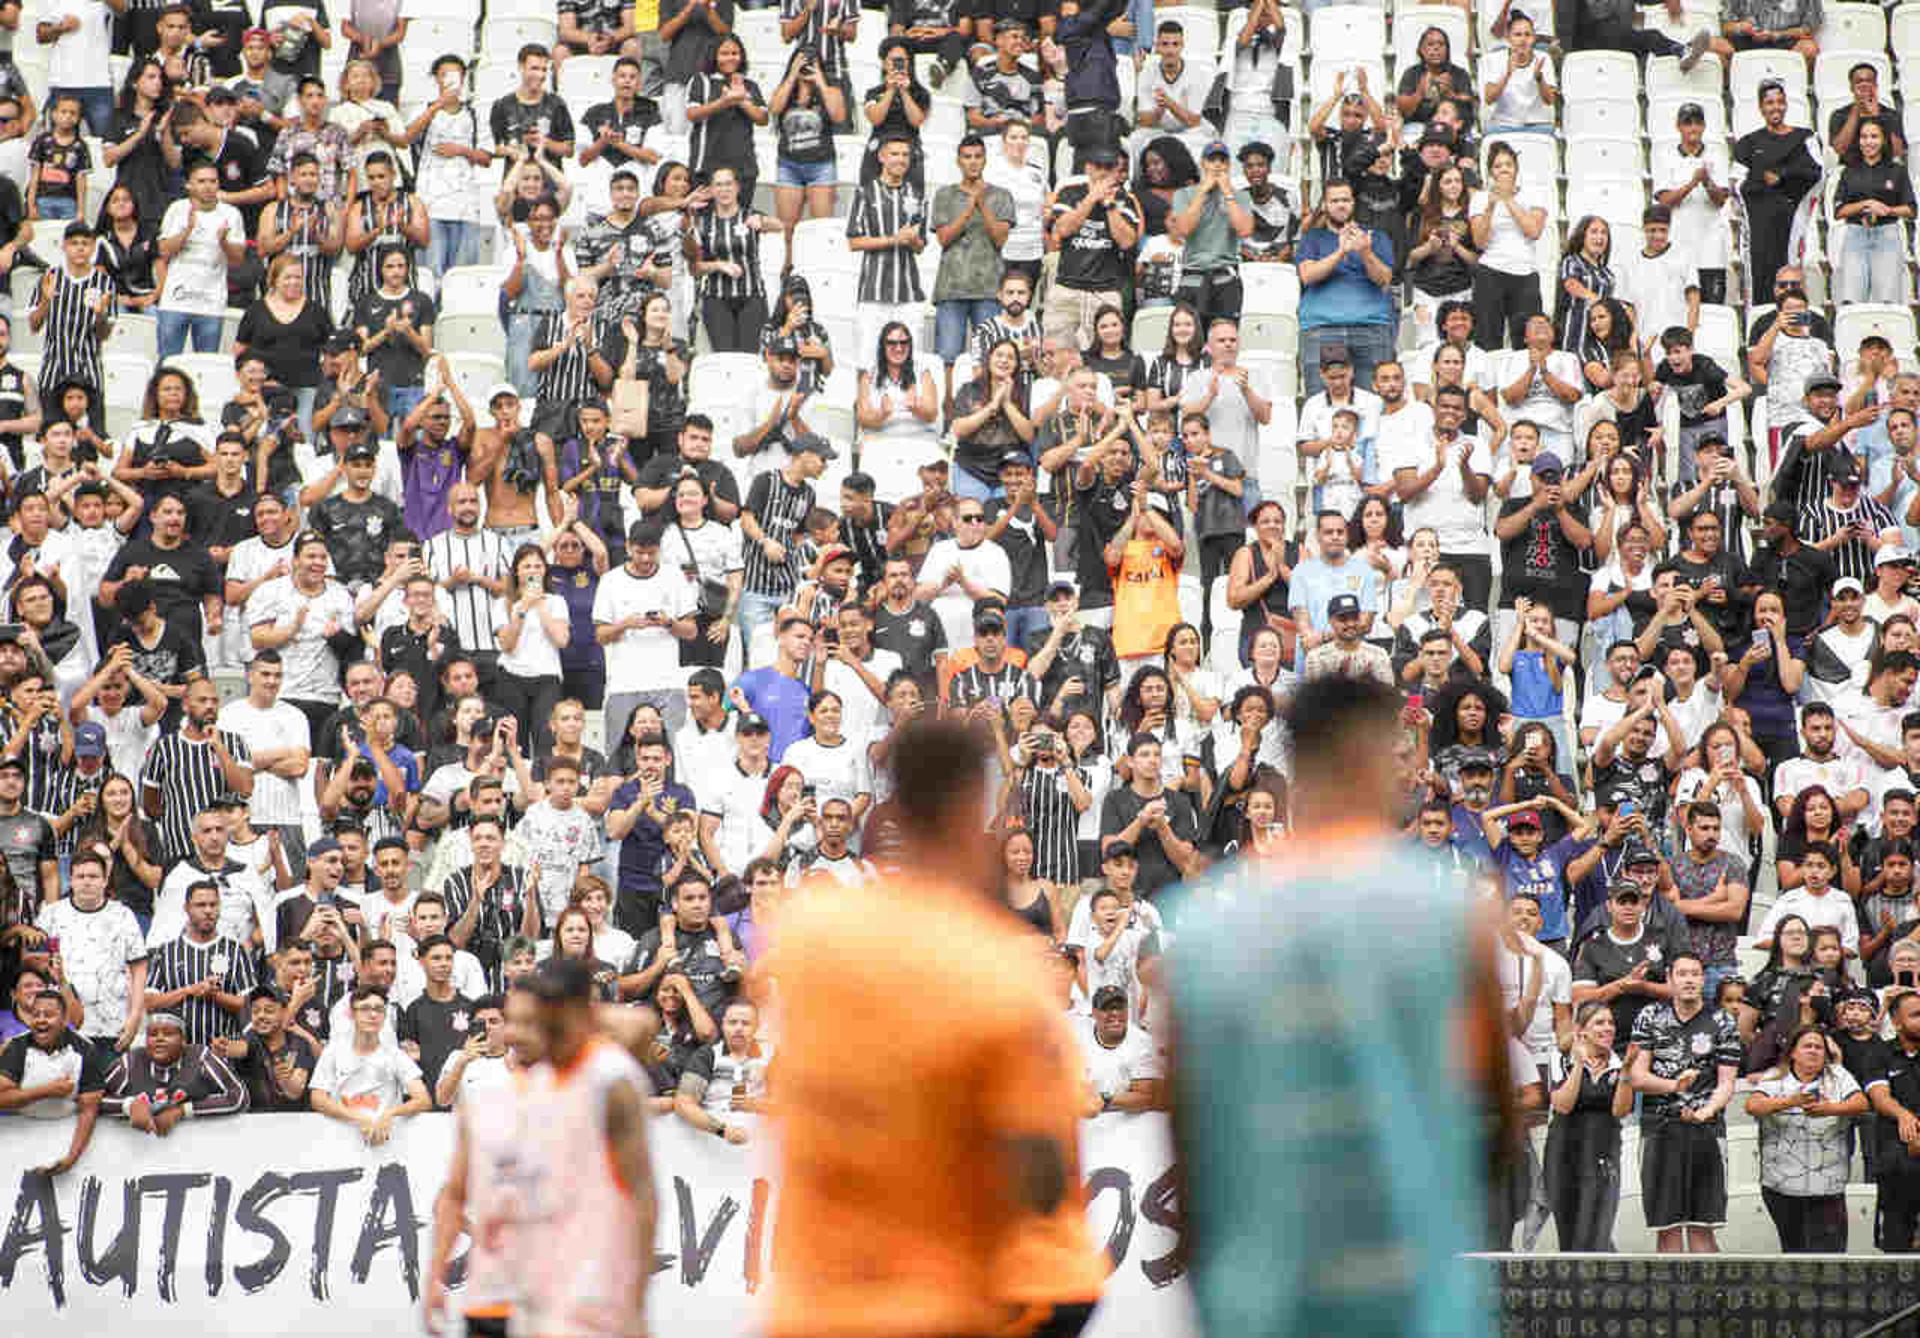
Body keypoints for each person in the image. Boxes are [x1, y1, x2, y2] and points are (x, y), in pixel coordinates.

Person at [1171, 673, 1494, 1335]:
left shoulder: (1204, 927)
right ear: (1379, 756)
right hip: (1413, 1299)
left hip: (1262, 1298)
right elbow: (1493, 1123)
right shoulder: (1450, 916)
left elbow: (1187, 1126)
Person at [766, 720, 1088, 1338]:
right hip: (932, 1301)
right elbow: (1037, 1176)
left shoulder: (810, 935)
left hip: (815, 1306)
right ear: (972, 812)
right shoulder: (993, 967)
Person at [1628, 953, 1743, 1254]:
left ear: (1704, 980)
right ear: (1669, 979)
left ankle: (1708, 1299)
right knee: (1667, 1229)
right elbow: (1637, 1076)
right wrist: (1672, 1086)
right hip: (1660, 1126)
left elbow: (1727, 1082)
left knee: (1702, 1228)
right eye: (1682, 974)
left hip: (1707, 1129)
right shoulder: (1650, 1016)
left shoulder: (1723, 1021)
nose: (1689, 980)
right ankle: (1673, 1300)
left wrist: (1706, 1112)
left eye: (1695, 974)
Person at [1746, 1023, 1870, 1251]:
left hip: (1828, 1186)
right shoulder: (1774, 1077)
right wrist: (1791, 1101)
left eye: (1819, 1047)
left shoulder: (1839, 1076)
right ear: (1793, 1052)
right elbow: (1752, 1105)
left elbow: (1861, 1103)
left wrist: (1830, 1109)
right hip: (1781, 1186)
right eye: (1807, 1046)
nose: (1813, 1051)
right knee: (1794, 1253)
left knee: (1829, 1257)